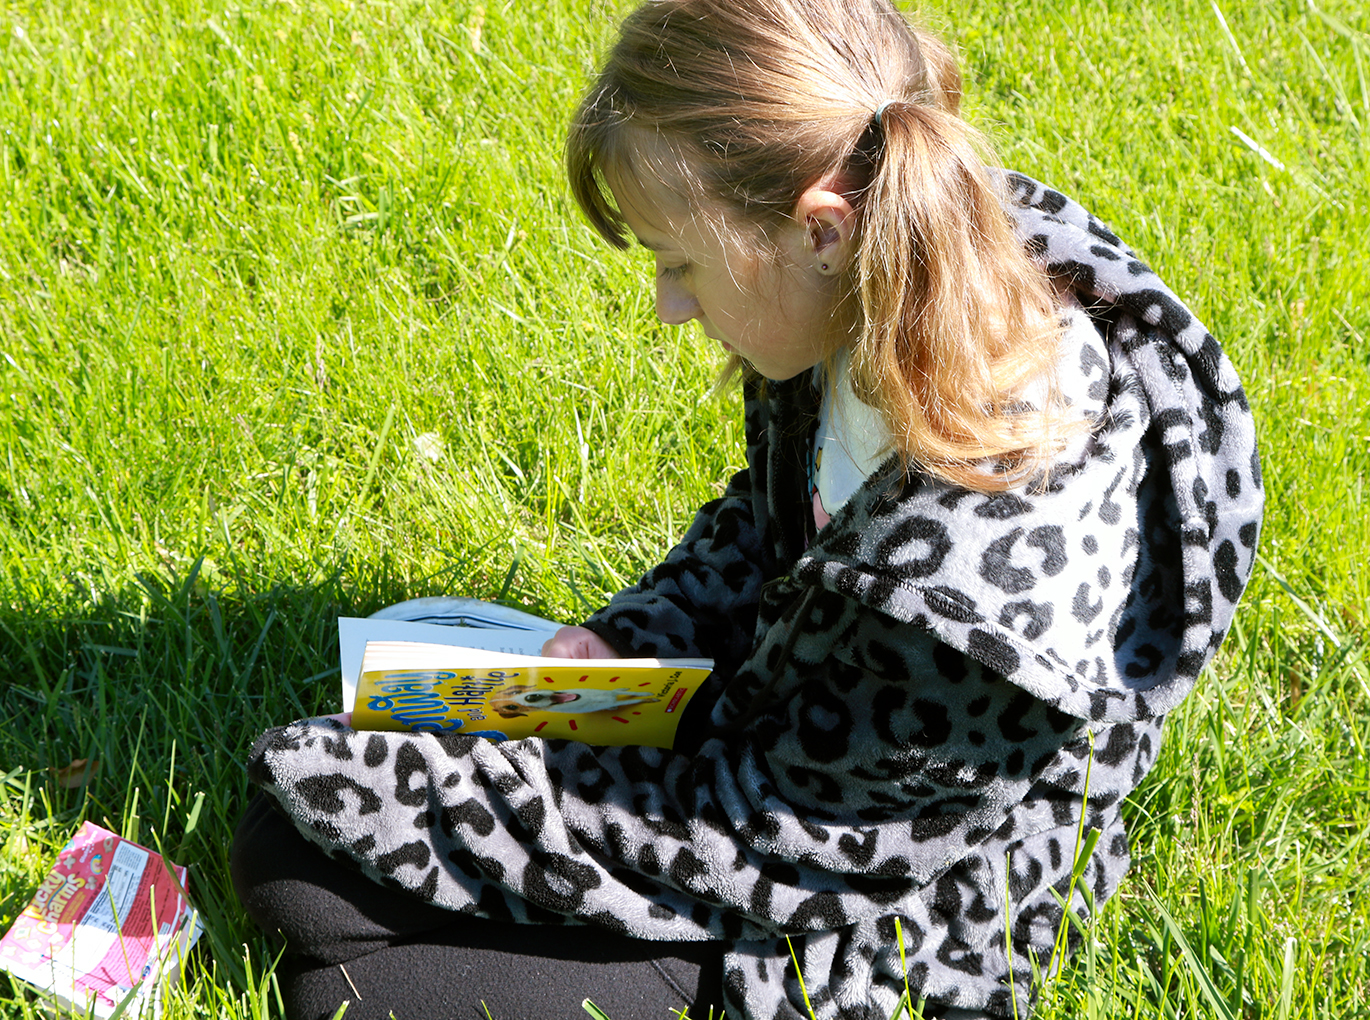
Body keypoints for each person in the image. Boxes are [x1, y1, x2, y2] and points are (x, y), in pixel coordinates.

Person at [230, 0, 1264, 1017]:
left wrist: (412, 799)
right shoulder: (878, 270)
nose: (669, 305)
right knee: (318, 854)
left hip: (869, 900)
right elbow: (767, 525)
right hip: (780, 740)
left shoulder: (967, 605)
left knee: (314, 912)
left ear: (818, 228)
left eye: (680, 264)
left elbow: (764, 840)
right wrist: (625, 641)